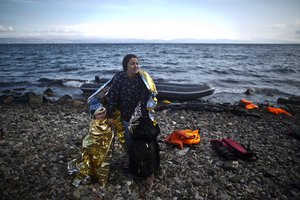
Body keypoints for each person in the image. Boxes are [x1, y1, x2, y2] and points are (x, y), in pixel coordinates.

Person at [106, 54, 157, 156]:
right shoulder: (119, 78)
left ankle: (142, 156)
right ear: (126, 65)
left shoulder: (142, 78)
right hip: (126, 114)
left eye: (137, 63)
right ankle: (129, 157)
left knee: (142, 136)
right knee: (128, 137)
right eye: (132, 63)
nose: (136, 66)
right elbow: (113, 97)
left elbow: (148, 97)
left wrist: (148, 114)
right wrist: (110, 115)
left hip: (141, 114)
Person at [68, 106, 114, 187]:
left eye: (104, 113)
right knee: (91, 160)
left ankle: (99, 176)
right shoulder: (93, 124)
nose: (102, 115)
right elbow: (91, 137)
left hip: (104, 148)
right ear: (95, 116)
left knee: (102, 162)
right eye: (99, 114)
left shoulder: (108, 122)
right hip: (93, 148)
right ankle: (92, 173)